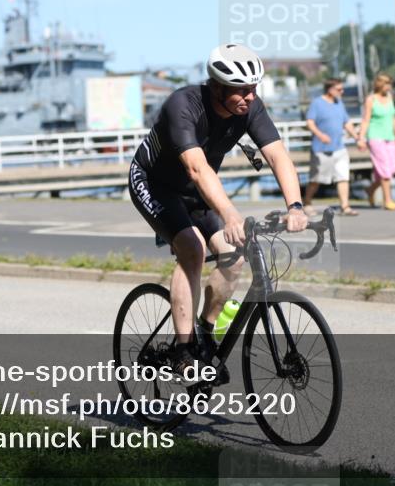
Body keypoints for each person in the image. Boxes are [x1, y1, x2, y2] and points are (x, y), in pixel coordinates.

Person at [128, 44, 309, 377]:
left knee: (235, 255)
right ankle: (183, 350)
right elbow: (197, 168)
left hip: (196, 191)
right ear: (216, 87)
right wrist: (229, 213)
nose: (249, 97)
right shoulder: (183, 106)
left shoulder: (250, 109)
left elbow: (278, 156)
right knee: (192, 249)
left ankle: (205, 336)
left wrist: (295, 206)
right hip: (156, 183)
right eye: (240, 90)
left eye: (253, 89)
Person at [302, 78, 360, 216]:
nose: (342, 91)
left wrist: (357, 137)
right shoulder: (317, 103)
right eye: (339, 89)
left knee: (343, 177)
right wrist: (320, 135)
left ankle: (345, 206)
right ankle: (307, 202)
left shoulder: (339, 103)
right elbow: (310, 122)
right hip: (321, 149)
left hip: (339, 148)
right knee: (316, 179)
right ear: (330, 89)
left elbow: (347, 122)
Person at [357, 73, 395, 210]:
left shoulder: (390, 98)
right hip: (375, 137)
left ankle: (370, 189)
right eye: (386, 84)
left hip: (390, 137)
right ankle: (387, 200)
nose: (389, 87)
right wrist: (361, 138)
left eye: (390, 84)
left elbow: (393, 119)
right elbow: (365, 120)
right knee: (385, 169)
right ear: (380, 85)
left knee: (393, 169)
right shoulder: (371, 99)